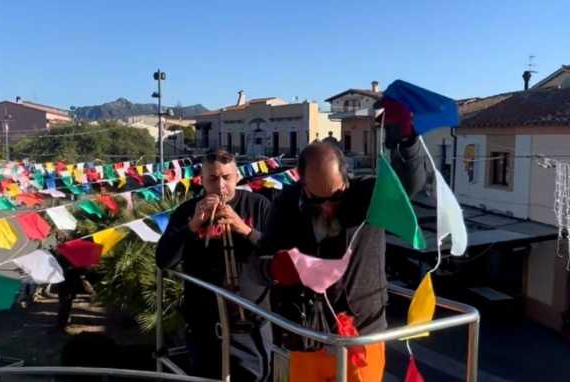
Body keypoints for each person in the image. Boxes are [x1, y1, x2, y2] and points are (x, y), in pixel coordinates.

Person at [261, 125, 426, 381]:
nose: (327, 207)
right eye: (317, 200)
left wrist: (406, 141)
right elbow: (265, 255)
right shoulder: (286, 203)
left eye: (335, 197)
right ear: (302, 181)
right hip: (308, 333)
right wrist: (280, 267)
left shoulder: (366, 195)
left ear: (346, 176)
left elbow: (409, 186)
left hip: (363, 331)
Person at [156, 149, 272, 381]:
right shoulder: (187, 211)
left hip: (251, 325)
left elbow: (277, 252)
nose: (220, 186)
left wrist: (245, 230)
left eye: (226, 178)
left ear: (237, 177)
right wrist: (193, 225)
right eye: (212, 179)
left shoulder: (258, 205)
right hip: (204, 327)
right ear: (201, 179)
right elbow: (164, 259)